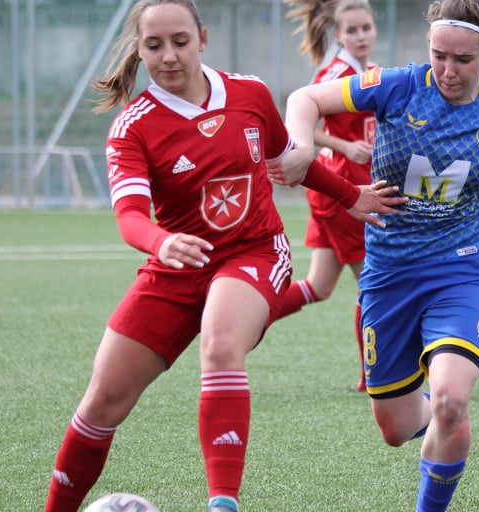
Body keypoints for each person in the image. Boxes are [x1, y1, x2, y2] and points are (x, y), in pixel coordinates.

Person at [42, 2, 404, 512]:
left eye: (180, 41)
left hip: (254, 251)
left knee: (220, 344)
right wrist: (161, 243)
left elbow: (290, 161)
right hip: (176, 263)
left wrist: (350, 195)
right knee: (102, 401)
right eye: (154, 46)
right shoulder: (132, 126)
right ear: (139, 50)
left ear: (203, 39)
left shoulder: (249, 93)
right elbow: (131, 217)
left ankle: (222, 504)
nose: (169, 56)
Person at [268, 0, 479, 510]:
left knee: (450, 402)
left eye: (463, 59)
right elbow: (305, 98)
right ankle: (443, 419)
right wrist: (302, 146)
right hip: (388, 275)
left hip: (460, 269)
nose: (448, 70)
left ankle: (446, 431)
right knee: (396, 428)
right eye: (438, 55)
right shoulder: (397, 85)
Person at [278, 0, 378, 392]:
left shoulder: (370, 72)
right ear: (339, 35)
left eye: (366, 28)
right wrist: (344, 144)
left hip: (337, 189)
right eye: (352, 30)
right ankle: (373, 376)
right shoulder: (335, 72)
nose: (361, 36)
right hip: (343, 190)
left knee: (319, 286)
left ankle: (238, 323)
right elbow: (303, 122)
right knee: (373, 283)